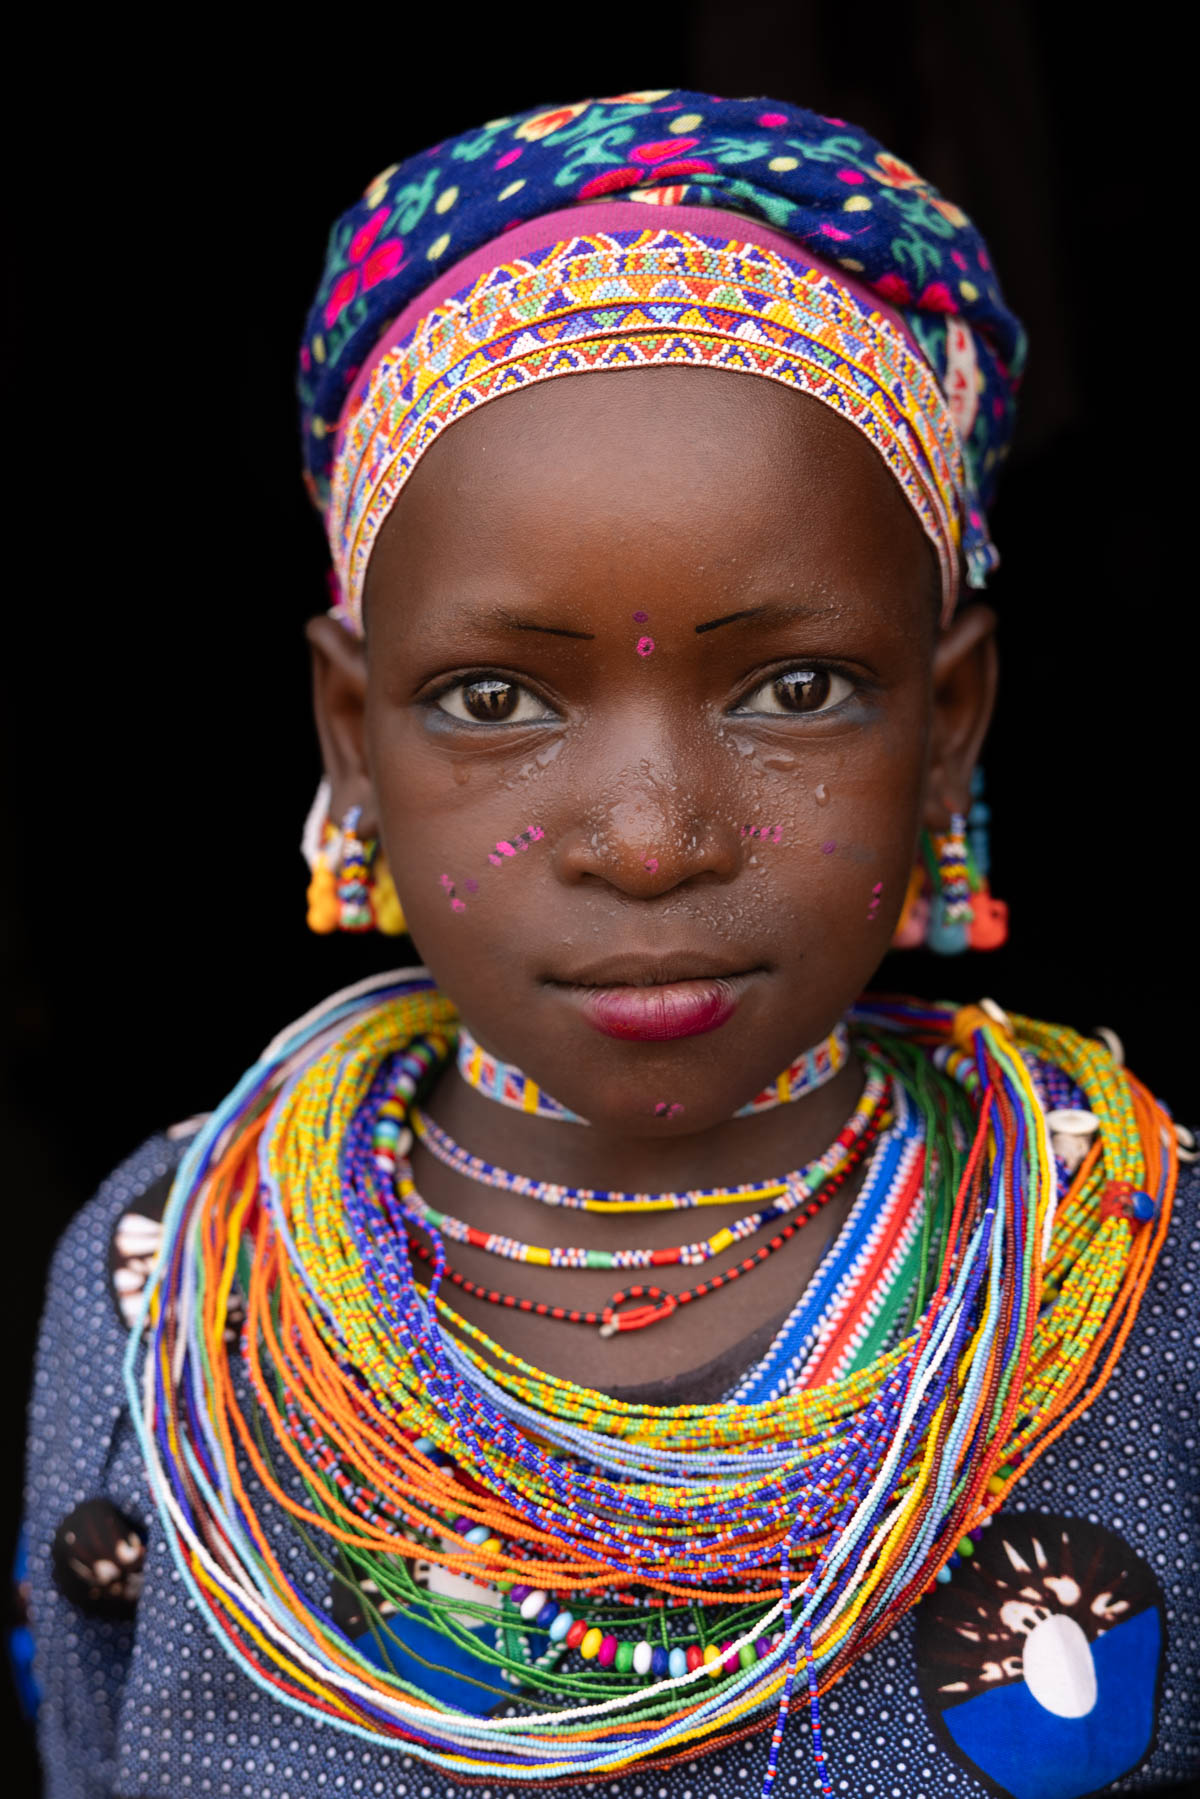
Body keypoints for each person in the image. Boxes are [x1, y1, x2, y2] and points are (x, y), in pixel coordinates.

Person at [20, 90, 1198, 1799]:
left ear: (949, 723)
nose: (652, 840)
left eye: (797, 689)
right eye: (493, 698)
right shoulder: (166, 1288)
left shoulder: (1140, 1271)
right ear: (352, 735)